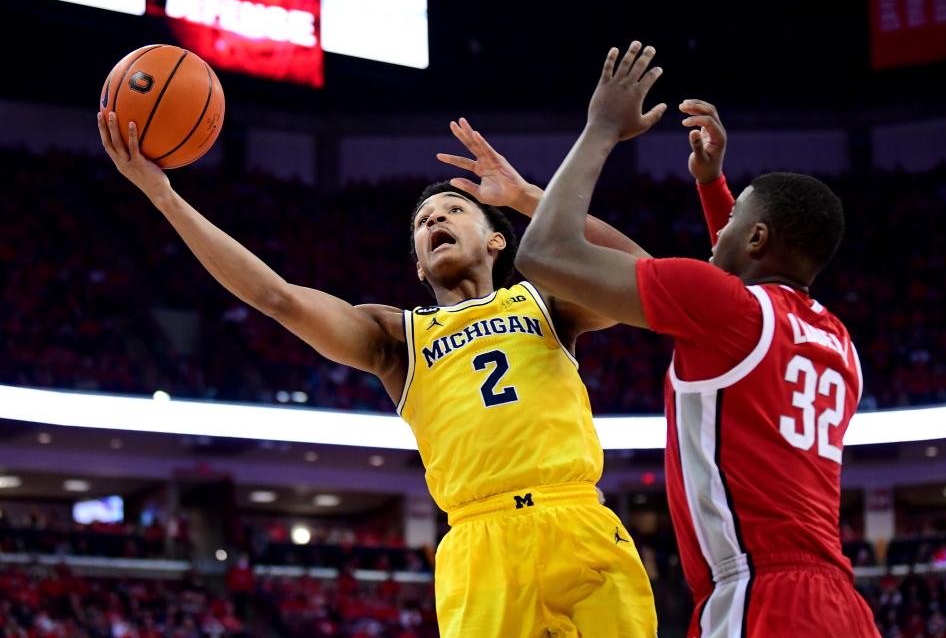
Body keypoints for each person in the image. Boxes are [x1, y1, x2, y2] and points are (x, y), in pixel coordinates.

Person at [96, 111, 657, 636]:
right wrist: (163, 195)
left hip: (577, 517)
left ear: (496, 239)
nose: (436, 218)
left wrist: (529, 197)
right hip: (479, 541)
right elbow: (277, 297)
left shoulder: (547, 304)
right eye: (424, 221)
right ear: (418, 263)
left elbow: (645, 277)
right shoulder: (398, 339)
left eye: (454, 211)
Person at [516, 41, 878, 637]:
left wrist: (601, 128)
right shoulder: (836, 340)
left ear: (758, 238)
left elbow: (544, 252)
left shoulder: (728, 311)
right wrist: (712, 186)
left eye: (733, 220)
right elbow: (744, 288)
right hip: (841, 603)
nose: (720, 229)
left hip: (760, 597)